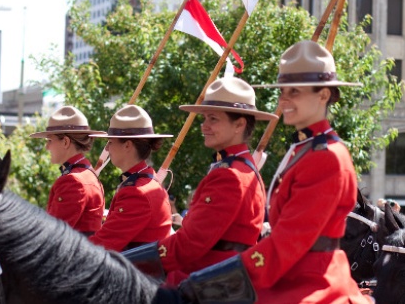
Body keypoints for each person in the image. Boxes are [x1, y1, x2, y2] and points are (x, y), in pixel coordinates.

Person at [158, 40, 372, 303]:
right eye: (283, 92)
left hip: (310, 281)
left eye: (295, 92)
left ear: (324, 95)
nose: (284, 100)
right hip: (290, 273)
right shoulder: (305, 149)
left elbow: (287, 244)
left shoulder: (326, 156)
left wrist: (207, 283)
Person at [157, 76, 277, 285]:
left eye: (213, 119)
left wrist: (129, 263)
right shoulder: (243, 168)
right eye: (204, 119)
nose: (204, 126)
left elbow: (189, 244)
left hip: (205, 283)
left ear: (239, 124)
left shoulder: (229, 175)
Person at [88, 104, 174, 252]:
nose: (107, 148)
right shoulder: (146, 182)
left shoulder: (137, 192)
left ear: (127, 145)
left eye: (110, 142)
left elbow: (103, 244)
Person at [30, 105, 106, 235]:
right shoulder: (87, 174)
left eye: (49, 140)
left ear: (65, 142)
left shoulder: (73, 181)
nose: (47, 147)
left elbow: (52, 233)